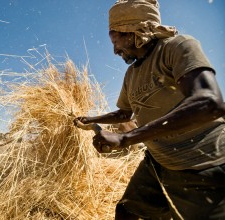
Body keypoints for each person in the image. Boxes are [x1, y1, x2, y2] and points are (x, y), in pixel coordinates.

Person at [75, 0, 225, 219]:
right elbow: (124, 113)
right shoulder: (132, 74)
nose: (115, 50)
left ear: (134, 32)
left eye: (116, 40)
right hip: (157, 162)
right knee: (127, 212)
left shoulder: (176, 47)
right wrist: (91, 120)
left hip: (201, 166)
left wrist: (126, 138)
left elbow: (209, 102)